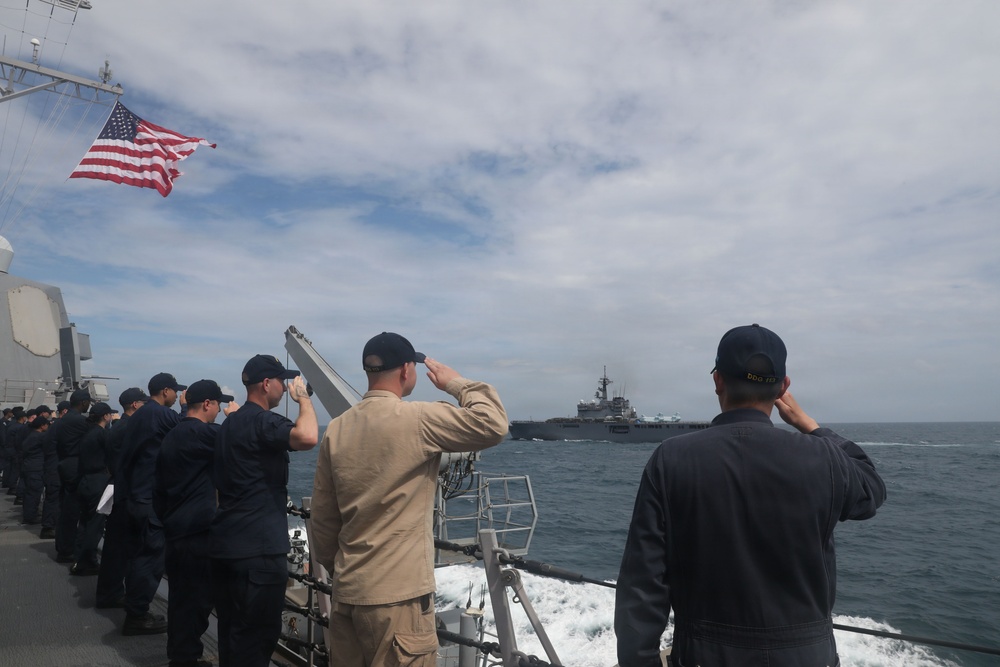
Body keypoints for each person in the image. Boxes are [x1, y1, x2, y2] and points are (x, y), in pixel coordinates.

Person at [614, 324, 888, 667]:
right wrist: (812, 427)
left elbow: (641, 587)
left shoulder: (670, 460)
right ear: (783, 387)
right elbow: (872, 489)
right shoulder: (825, 459)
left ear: (718, 380)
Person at [310, 332, 509, 666]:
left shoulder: (336, 428)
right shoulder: (417, 418)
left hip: (348, 594)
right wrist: (456, 383)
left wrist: (343, 571)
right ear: (406, 371)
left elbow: (323, 518)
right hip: (397, 599)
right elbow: (493, 424)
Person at [210, 355, 317, 667]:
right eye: (281, 382)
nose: (285, 389)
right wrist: (305, 400)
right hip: (257, 551)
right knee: (257, 637)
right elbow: (308, 436)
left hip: (226, 545)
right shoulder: (263, 422)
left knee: (232, 631)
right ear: (266, 384)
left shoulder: (229, 426)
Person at [155, 379, 237, 667]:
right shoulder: (203, 434)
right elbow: (237, 441)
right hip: (197, 532)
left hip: (175, 528)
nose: (220, 410)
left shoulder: (173, 434)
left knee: (181, 598)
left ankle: (180, 655)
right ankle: (185, 659)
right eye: (219, 405)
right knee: (196, 602)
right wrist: (237, 418)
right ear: (207, 404)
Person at [115, 372, 187, 636]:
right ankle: (137, 616)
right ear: (165, 391)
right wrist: (187, 406)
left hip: (134, 495)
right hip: (149, 499)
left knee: (137, 556)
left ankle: (135, 608)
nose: (177, 396)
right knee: (150, 558)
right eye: (175, 392)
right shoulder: (159, 413)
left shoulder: (140, 415)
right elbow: (189, 429)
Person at [96, 387, 149, 609]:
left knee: (115, 547)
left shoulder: (118, 427)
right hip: (127, 492)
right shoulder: (130, 428)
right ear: (136, 405)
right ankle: (112, 595)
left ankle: (110, 592)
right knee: (121, 548)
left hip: (119, 489)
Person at [72, 401, 119, 575]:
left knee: (84, 522)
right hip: (98, 481)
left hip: (85, 480)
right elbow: (113, 453)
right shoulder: (102, 434)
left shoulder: (87, 433)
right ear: (105, 416)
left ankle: (78, 558)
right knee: (95, 525)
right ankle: (88, 562)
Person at [55, 389, 93, 562]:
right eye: (88, 403)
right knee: (72, 511)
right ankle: (67, 549)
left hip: (64, 464)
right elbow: (94, 435)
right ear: (83, 402)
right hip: (75, 467)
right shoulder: (79, 420)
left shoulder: (64, 420)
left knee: (65, 509)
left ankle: (62, 546)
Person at [39, 400, 71, 540]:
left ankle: (50, 525)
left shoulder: (54, 426)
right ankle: (48, 527)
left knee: (53, 497)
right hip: (55, 467)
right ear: (65, 411)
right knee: (53, 497)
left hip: (52, 465)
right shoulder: (61, 426)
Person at [19, 416, 50, 525]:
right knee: (34, 494)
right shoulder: (41, 437)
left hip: (28, 467)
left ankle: (29, 514)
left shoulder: (31, 436)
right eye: (47, 424)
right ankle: (30, 517)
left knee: (29, 493)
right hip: (36, 469)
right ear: (42, 426)